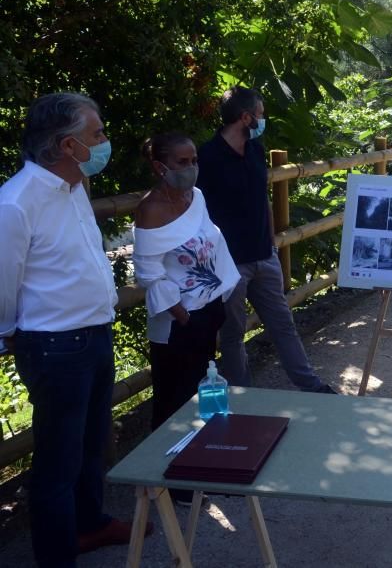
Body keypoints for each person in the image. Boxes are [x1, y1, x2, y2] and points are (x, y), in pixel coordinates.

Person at [0, 93, 151, 566]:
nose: (105, 141)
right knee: (58, 461)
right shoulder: (15, 203)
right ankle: (57, 554)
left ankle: (90, 524)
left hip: (94, 335)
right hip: (54, 346)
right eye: (97, 134)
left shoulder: (75, 186)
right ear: (69, 145)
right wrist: (8, 333)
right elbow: (3, 282)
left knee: (90, 445)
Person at [196, 87, 335, 393]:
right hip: (229, 263)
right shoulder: (207, 156)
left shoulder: (257, 150)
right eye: (259, 114)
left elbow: (263, 198)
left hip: (264, 254)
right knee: (232, 333)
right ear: (244, 117)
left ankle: (311, 387)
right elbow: (198, 212)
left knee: (283, 324)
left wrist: (271, 241)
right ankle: (242, 395)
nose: (262, 120)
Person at [133, 133, 240, 505]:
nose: (191, 167)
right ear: (159, 166)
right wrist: (181, 314)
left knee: (201, 394)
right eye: (182, 162)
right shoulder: (150, 210)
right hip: (178, 321)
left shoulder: (198, 198)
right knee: (171, 397)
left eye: (194, 159)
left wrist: (216, 298)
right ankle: (170, 480)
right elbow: (148, 273)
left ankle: (199, 467)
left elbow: (209, 243)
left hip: (208, 309)